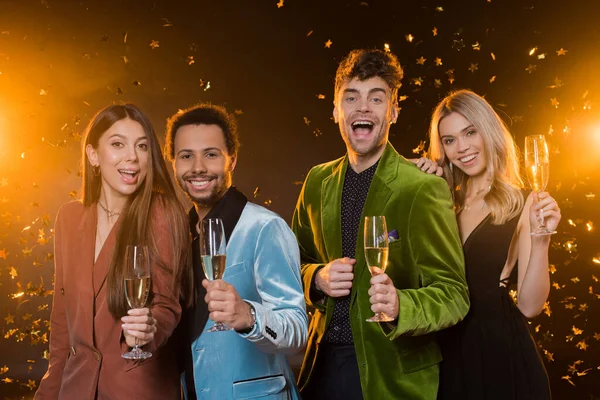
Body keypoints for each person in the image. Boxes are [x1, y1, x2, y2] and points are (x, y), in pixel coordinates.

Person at [291, 48, 470, 400]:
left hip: (392, 378)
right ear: (335, 111)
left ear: (393, 111)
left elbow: (454, 294)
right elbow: (284, 269)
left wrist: (402, 305)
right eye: (351, 97)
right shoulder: (316, 181)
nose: (363, 108)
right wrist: (317, 278)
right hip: (321, 371)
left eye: (377, 98)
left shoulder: (423, 187)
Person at [36, 104, 191, 399]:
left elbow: (167, 306)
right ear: (93, 155)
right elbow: (61, 324)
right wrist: (49, 392)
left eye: (142, 146)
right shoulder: (69, 218)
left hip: (135, 388)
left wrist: (147, 331)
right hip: (75, 388)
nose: (132, 156)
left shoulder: (163, 212)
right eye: (118, 144)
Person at [165, 103, 308, 399]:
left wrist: (249, 316)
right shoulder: (176, 235)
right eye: (186, 156)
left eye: (211, 154)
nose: (198, 167)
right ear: (174, 164)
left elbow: (297, 332)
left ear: (232, 161)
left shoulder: (266, 227)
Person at [424, 89, 560, 399]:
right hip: (442, 349)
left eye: (470, 132)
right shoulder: (441, 200)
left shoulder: (523, 203)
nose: (463, 148)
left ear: (488, 130)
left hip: (499, 352)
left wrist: (542, 241)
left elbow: (529, 305)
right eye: (450, 140)